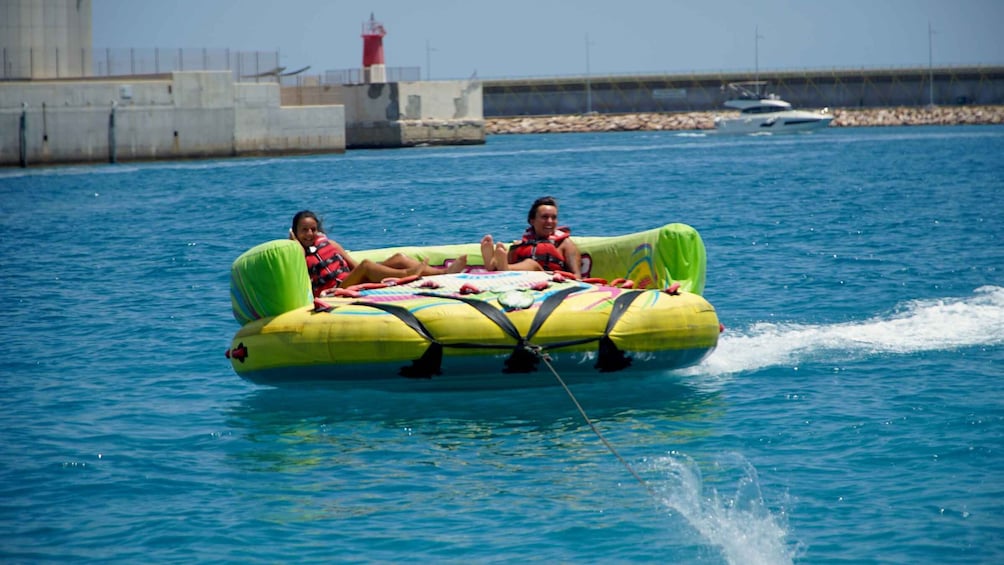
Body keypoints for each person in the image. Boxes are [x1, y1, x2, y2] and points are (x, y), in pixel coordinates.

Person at [291, 210, 467, 297]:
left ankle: (444, 272)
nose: (309, 234)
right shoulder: (298, 255)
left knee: (398, 258)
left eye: (313, 229)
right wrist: (294, 242)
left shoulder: (330, 244)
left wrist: (365, 273)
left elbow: (352, 265)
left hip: (349, 280)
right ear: (296, 232)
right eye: (304, 230)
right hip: (334, 290)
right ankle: (407, 275)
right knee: (367, 264)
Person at [480, 196, 582, 278]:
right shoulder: (522, 244)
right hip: (523, 283)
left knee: (531, 264)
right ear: (532, 221)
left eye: (554, 218)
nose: (550, 221)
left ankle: (501, 269)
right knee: (511, 251)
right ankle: (493, 265)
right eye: (544, 217)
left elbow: (577, 276)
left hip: (552, 282)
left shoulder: (565, 244)